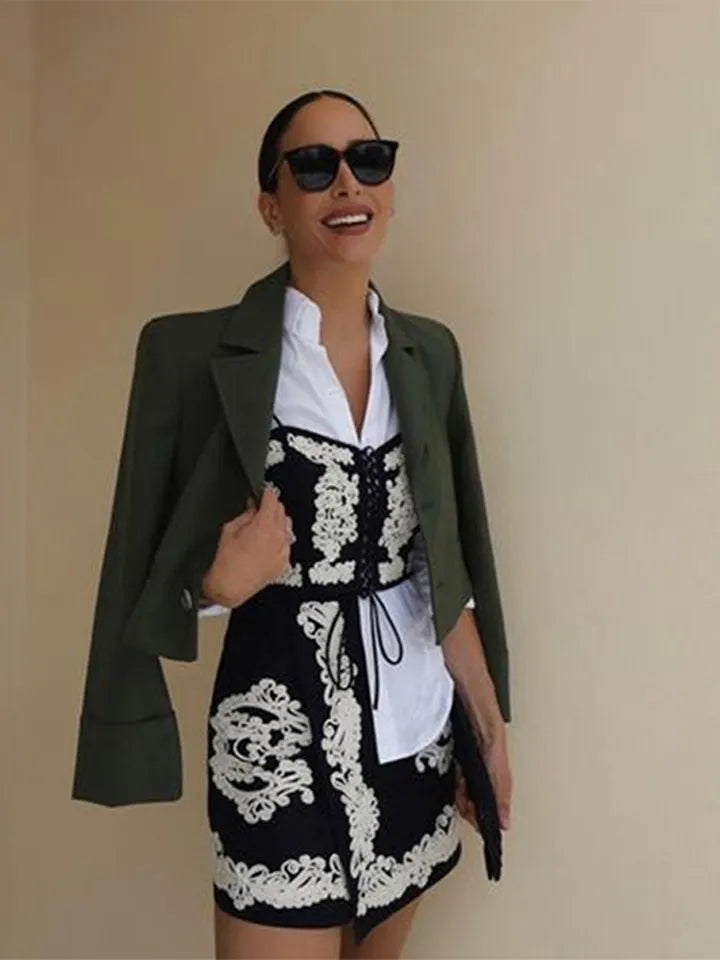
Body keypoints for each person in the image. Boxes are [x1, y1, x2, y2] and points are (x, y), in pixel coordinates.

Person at [71, 87, 512, 960]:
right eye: (313, 166)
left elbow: (445, 562)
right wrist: (214, 585)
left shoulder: (429, 353)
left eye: (368, 161)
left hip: (413, 736)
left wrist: (490, 733)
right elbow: (136, 563)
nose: (347, 183)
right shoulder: (189, 355)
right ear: (271, 205)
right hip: (276, 742)